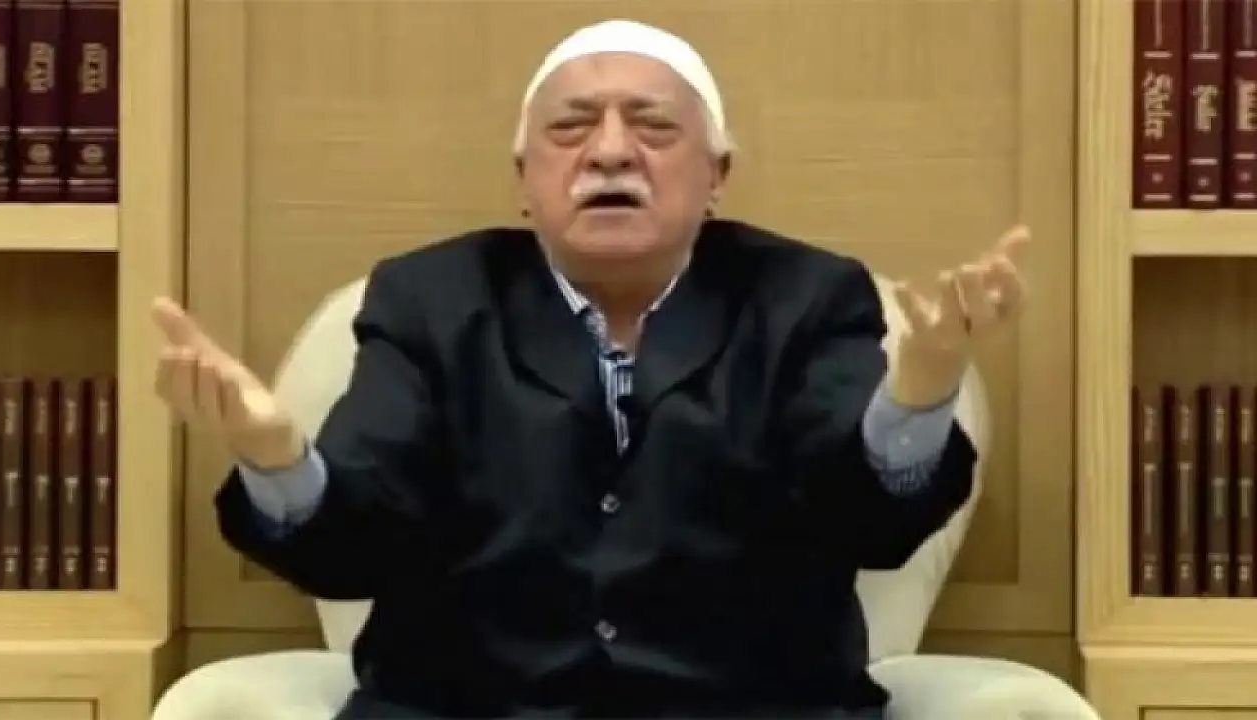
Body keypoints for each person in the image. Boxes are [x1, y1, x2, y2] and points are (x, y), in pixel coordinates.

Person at [153, 19, 1027, 720]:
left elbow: (867, 524)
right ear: (523, 177)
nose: (610, 152)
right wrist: (275, 457)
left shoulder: (808, 297)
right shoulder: (431, 300)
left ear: (717, 174)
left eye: (654, 127)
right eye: (571, 128)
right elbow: (359, 545)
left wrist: (921, 388)